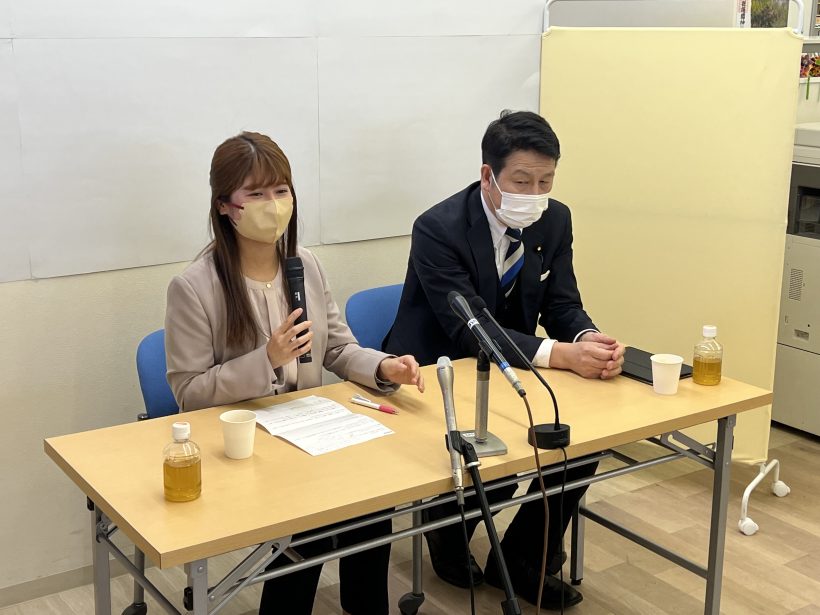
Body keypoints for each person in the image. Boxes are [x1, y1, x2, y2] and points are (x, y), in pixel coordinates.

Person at [164, 131, 425, 615]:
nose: (273, 204)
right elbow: (190, 392)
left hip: (309, 429)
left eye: (281, 190)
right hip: (246, 444)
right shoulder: (194, 286)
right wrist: (265, 359)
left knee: (373, 496)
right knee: (313, 521)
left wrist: (383, 366)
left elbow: (338, 348)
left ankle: (365, 606)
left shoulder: (304, 264)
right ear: (225, 205)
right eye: (256, 193)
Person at [383, 110, 624, 609]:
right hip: (436, 369)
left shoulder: (554, 219)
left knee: (578, 442)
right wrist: (561, 354)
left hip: (512, 365)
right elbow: (469, 325)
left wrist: (589, 339)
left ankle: (520, 559)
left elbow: (562, 303)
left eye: (545, 181)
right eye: (521, 181)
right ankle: (446, 531)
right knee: (499, 461)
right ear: (488, 176)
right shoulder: (437, 227)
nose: (535, 194)